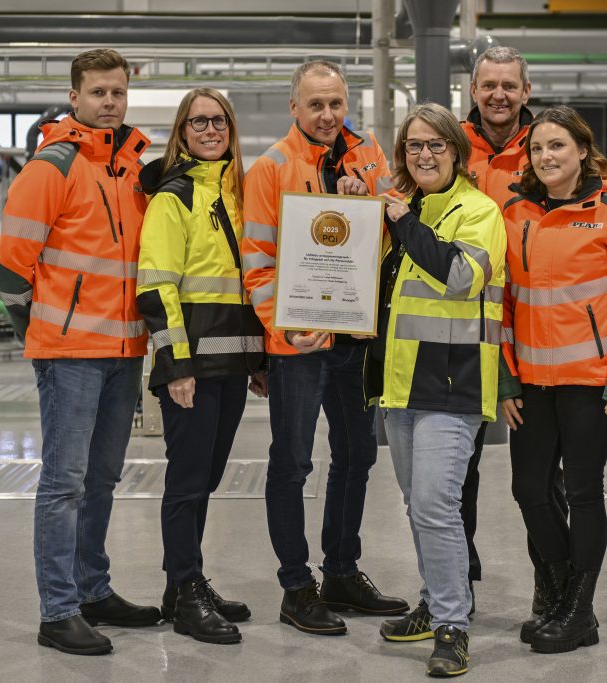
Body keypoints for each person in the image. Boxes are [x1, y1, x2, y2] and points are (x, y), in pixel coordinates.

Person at [0, 48, 160, 656]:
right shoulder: (52, 167)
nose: (110, 102)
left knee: (103, 478)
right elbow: (10, 268)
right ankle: (58, 611)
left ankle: (93, 590)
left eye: (118, 92)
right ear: (75, 97)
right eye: (98, 92)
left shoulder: (131, 169)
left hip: (125, 349)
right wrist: (41, 334)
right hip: (69, 354)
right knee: (64, 483)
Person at [241, 59, 408, 635]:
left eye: (336, 103)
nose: (328, 114)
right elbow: (257, 263)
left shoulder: (370, 154)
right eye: (316, 104)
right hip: (299, 344)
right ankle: (296, 587)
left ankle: (341, 571)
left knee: (358, 455)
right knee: (292, 463)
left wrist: (370, 202)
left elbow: (397, 226)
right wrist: (284, 328)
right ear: (294, 107)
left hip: (354, 337)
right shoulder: (270, 168)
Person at [498, 105, 607, 654]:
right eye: (537, 148)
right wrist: (505, 376)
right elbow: (502, 300)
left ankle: (579, 610)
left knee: (583, 492)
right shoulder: (514, 211)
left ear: (583, 151)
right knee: (529, 490)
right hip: (531, 380)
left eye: (557, 145)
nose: (546, 156)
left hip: (591, 380)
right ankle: (562, 588)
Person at [370, 102, 506, 678]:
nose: (424, 154)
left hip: (453, 383)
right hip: (401, 384)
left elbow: (459, 278)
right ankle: (433, 602)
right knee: (418, 505)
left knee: (434, 505)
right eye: (414, 145)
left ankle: (453, 624)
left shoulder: (479, 211)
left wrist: (402, 221)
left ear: (456, 151)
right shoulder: (404, 210)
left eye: (435, 144)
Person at [136, 88, 266, 644]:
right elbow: (156, 286)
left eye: (219, 121)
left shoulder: (238, 194)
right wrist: (176, 365)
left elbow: (248, 282)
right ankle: (187, 593)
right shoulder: (175, 197)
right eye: (199, 122)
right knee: (188, 481)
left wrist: (257, 359)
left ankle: (182, 584)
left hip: (232, 364)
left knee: (207, 478)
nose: (210, 130)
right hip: (191, 368)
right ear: (182, 133)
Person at [458, 44, 546, 615]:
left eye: (509, 86)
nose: (498, 95)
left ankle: (551, 580)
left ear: (526, 91)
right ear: (473, 90)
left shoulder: (550, 144)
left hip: (534, 330)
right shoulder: (449, 144)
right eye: (489, 85)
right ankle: (455, 582)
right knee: (454, 473)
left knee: (538, 477)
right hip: (462, 329)